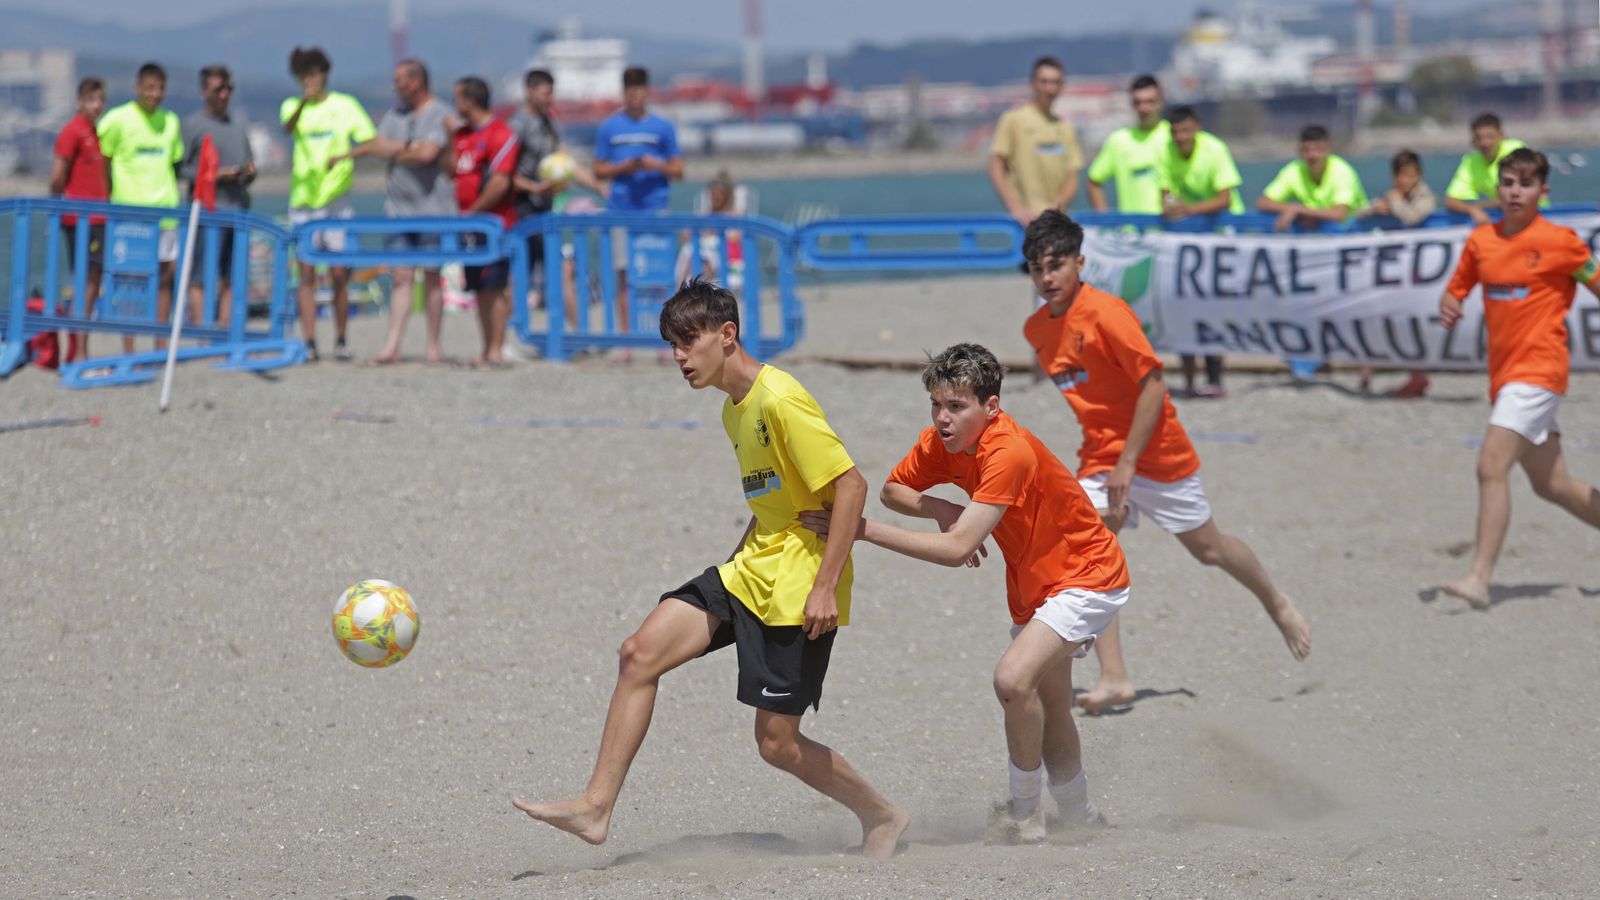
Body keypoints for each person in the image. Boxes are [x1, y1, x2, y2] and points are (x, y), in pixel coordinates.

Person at [512, 278, 909, 859]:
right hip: (750, 570)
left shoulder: (780, 399)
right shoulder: (734, 411)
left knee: (776, 744)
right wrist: (728, 573)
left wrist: (826, 586)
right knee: (637, 654)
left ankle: (882, 815)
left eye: (686, 342)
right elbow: (769, 498)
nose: (677, 357)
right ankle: (596, 808)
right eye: (671, 344)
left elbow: (851, 487)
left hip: (799, 585)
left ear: (727, 336)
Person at [802, 342, 1127, 843]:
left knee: (1012, 680)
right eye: (936, 405)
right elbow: (894, 488)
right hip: (1033, 585)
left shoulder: (1009, 451)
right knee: (1051, 703)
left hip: (1088, 575)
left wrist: (860, 529)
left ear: (990, 407)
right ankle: (1079, 815)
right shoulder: (942, 442)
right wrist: (939, 507)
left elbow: (956, 551)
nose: (942, 418)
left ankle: (1024, 815)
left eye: (956, 406)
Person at [1021, 211, 1312, 714]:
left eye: (1056, 265)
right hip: (1100, 456)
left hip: (1157, 451)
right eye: (1036, 267)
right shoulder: (1036, 329)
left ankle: (1277, 601)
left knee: (1210, 549)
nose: (1047, 278)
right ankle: (1115, 678)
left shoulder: (1107, 313)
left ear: (1080, 262)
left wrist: (1129, 462)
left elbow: (1154, 384)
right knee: (1089, 550)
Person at [1438, 148, 1600, 610]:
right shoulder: (1481, 240)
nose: (1514, 192)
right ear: (1497, 187)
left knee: (1491, 465)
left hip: (1540, 371)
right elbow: (1458, 286)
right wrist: (1450, 302)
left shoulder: (1561, 242)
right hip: (1505, 376)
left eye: (1525, 185)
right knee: (1554, 486)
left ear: (1542, 192)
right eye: (1508, 182)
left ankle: (1479, 578)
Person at [337, 59, 453, 365]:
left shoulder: (441, 114)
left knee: (432, 276)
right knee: (400, 276)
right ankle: (391, 346)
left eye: (399, 81)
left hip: (434, 209)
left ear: (416, 82)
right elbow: (376, 146)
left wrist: (398, 149)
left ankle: (433, 347)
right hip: (398, 210)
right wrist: (409, 148)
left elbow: (428, 155)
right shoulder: (394, 114)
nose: (394, 87)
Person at [282, 46, 376, 362]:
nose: (312, 81)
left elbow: (369, 140)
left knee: (339, 274)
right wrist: (302, 104)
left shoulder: (345, 105)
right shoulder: (292, 107)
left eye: (316, 75)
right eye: (305, 76)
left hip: (337, 201)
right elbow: (287, 127)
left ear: (325, 76)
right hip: (305, 202)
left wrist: (345, 157)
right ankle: (309, 341)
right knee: (306, 274)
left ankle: (341, 338)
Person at [592, 65, 683, 352]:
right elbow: (598, 169)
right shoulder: (609, 127)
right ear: (624, 93)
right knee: (624, 275)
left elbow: (678, 169)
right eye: (629, 91)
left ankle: (662, 339)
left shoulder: (663, 127)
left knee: (659, 277)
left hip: (655, 207)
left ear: (646, 91)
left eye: (638, 90)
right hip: (621, 208)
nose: (634, 96)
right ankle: (627, 341)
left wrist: (653, 164)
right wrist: (624, 167)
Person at [1157, 104, 1243, 399]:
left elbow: (1225, 199)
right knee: (1183, 307)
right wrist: (1172, 209)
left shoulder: (1215, 149)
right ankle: (1190, 380)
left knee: (1212, 309)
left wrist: (1187, 210)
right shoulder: (1165, 152)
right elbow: (1166, 199)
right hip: (1187, 241)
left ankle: (1215, 377)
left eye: (1185, 130)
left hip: (1219, 238)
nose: (1181, 137)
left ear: (1197, 128)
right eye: (1176, 131)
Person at [97, 63, 184, 345]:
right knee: (129, 281)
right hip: (130, 215)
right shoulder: (117, 119)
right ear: (138, 88)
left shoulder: (171, 121)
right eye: (150, 88)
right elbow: (102, 160)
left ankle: (160, 345)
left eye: (160, 88)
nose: (155, 94)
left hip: (166, 213)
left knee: (166, 277)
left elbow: (175, 162)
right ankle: (130, 348)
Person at [442, 76, 519, 368]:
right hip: (469, 226)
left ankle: (497, 348)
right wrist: (449, 138)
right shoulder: (461, 135)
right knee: (478, 287)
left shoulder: (501, 133)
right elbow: (451, 170)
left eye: (457, 98)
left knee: (497, 286)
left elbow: (500, 182)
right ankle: (486, 347)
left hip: (495, 223)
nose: (455, 104)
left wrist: (473, 212)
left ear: (469, 101)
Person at [50, 76, 122, 360]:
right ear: (79, 101)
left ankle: (80, 348)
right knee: (84, 281)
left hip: (99, 219)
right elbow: (57, 175)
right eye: (91, 100)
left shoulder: (97, 132)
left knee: (93, 279)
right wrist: (57, 206)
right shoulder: (72, 131)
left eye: (100, 100)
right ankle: (79, 352)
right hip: (80, 220)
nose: (96, 106)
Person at [181, 64, 256, 332]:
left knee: (232, 276)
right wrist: (214, 174)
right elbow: (180, 168)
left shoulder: (237, 128)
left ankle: (225, 331)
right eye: (218, 89)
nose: (224, 94)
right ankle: (202, 330)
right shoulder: (192, 125)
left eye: (228, 88)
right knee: (200, 276)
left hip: (237, 210)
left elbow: (248, 166)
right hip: (206, 212)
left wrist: (247, 172)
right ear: (204, 92)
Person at [1360, 150, 1437, 397]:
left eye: (1408, 175)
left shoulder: (1426, 197)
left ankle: (1418, 376)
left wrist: (1393, 202)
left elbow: (1413, 217)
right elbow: (1357, 215)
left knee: (1412, 322)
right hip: (1393, 272)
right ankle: (1366, 372)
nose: (1403, 181)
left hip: (1418, 273)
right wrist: (1376, 208)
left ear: (1418, 176)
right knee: (1374, 314)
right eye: (1400, 176)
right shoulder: (1392, 197)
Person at [988, 56, 1083, 226]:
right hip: (1025, 221)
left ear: (1062, 86)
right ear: (1033, 83)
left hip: (1057, 221)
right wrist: (1015, 209)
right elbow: (996, 167)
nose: (1049, 88)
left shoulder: (1065, 127)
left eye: (1055, 82)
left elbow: (1072, 176)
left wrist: (1056, 208)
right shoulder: (1013, 119)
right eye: (1044, 81)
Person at [1255, 124, 1368, 233]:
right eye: (1307, 150)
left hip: (1354, 231)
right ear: (1300, 152)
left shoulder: (1343, 172)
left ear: (1329, 149)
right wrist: (1294, 209)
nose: (1313, 156)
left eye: (1319, 150)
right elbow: (1263, 203)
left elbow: (1338, 214)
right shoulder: (1294, 170)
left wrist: (1298, 210)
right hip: (1320, 232)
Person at [1086, 74, 1168, 216]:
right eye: (1138, 102)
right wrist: (1105, 220)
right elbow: (1094, 182)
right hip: (1130, 233)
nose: (1144, 108)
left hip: (1168, 233)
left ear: (1161, 101)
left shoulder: (1176, 137)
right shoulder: (1118, 141)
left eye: (1150, 102)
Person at [1443, 113, 1527, 226]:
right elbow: (1450, 201)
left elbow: (1517, 197)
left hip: (1537, 215)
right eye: (1479, 138)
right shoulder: (1471, 161)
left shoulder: (1516, 151)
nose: (1484, 143)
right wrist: (1472, 210)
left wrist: (1479, 206)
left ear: (1501, 135)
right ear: (1473, 141)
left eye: (1490, 137)